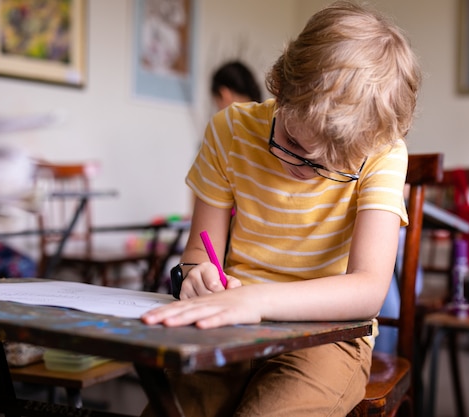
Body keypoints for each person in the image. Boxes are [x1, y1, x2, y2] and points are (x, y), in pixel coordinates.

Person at [141, 1, 421, 416]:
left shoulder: (383, 152)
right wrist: (197, 274)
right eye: (291, 143)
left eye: (332, 166)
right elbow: (200, 252)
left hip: (328, 339)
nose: (301, 169)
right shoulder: (230, 129)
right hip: (230, 328)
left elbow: (368, 289)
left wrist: (257, 301)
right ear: (280, 86)